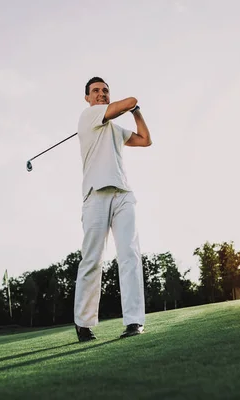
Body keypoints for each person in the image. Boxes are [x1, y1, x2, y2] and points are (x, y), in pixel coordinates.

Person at [74, 77, 152, 342]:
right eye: (95, 91)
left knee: (129, 254)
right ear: (87, 98)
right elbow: (128, 102)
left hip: (122, 195)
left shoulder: (115, 129)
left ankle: (134, 322)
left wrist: (136, 112)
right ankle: (83, 324)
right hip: (95, 195)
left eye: (105, 91)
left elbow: (145, 140)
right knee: (92, 259)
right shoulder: (89, 116)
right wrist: (132, 105)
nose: (101, 94)